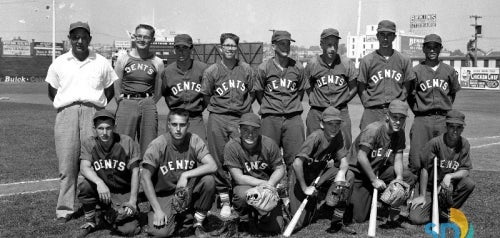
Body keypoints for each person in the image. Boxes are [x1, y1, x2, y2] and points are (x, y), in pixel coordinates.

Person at [45, 21, 117, 222]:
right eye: (75, 37)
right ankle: (64, 209)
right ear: (69, 39)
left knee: (93, 161)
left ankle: (93, 207)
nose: (79, 40)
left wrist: (94, 107)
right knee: (67, 164)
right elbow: (52, 91)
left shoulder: (101, 61)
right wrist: (70, 106)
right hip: (66, 112)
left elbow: (109, 90)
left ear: (89, 39)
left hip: (92, 112)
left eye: (83, 37)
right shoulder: (59, 62)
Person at [200, 33, 256, 218]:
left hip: (239, 118)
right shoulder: (212, 71)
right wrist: (218, 109)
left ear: (237, 48)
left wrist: (244, 108)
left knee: (240, 156)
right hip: (218, 117)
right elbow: (207, 96)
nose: (230, 49)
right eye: (227, 45)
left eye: (233, 46)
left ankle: (240, 195)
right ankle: (224, 197)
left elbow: (252, 93)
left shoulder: (246, 69)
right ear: (220, 48)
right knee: (218, 157)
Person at [141, 109, 217, 237]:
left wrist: (185, 175)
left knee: (208, 180)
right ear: (168, 125)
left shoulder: (194, 140)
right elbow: (145, 178)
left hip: (186, 189)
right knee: (162, 233)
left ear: (187, 125)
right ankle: (181, 217)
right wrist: (158, 210)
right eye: (174, 124)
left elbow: (212, 165)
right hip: (164, 194)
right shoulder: (158, 144)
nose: (178, 129)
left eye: (182, 125)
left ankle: (197, 222)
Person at [347, 99, 417, 223]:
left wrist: (399, 178)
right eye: (394, 117)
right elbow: (361, 156)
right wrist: (374, 180)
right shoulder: (373, 130)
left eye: (402, 118)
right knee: (358, 217)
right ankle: (349, 195)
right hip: (358, 173)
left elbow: (398, 157)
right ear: (387, 116)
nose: (398, 121)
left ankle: (390, 204)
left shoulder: (399, 133)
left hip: (377, 169)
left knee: (408, 177)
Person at [255, 30, 306, 193]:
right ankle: (268, 195)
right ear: (273, 46)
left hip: (293, 117)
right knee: (267, 158)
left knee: (295, 158)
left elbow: (300, 92)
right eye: (282, 43)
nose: (286, 46)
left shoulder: (297, 66)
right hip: (271, 117)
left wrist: (290, 106)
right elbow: (259, 93)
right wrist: (272, 107)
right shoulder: (264, 67)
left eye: (288, 43)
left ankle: (293, 197)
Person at [290, 107, 356, 234]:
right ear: (322, 124)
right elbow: (297, 164)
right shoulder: (316, 137)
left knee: (349, 175)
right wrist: (304, 188)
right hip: (301, 177)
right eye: (330, 124)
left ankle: (337, 220)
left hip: (319, 175)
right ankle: (287, 203)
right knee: (302, 222)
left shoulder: (338, 136)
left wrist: (341, 174)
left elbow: (344, 162)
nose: (334, 127)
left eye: (337, 124)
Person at [77, 110, 141, 237]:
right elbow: (84, 168)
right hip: (102, 190)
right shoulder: (89, 143)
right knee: (85, 185)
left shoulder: (127, 142)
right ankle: (90, 222)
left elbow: (136, 171)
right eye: (100, 128)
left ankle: (110, 213)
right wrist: (99, 182)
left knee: (130, 230)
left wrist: (133, 201)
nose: (104, 133)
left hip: (123, 191)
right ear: (94, 128)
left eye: (108, 128)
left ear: (115, 127)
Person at [224, 113, 286, 236]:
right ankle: (244, 218)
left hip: (267, 187)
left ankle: (263, 215)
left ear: (259, 130)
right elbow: (238, 177)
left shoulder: (269, 144)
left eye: (254, 130)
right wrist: (264, 184)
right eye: (245, 130)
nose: (250, 134)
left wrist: (271, 184)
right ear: (239, 130)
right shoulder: (231, 146)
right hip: (245, 185)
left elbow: (280, 168)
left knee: (275, 228)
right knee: (242, 196)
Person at [409, 110, 475, 224]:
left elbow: (465, 170)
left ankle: (445, 210)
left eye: (458, 127)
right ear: (446, 126)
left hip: (447, 187)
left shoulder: (464, 144)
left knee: (469, 184)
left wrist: (450, 176)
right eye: (451, 126)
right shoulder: (435, 143)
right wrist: (422, 195)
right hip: (430, 187)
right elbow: (424, 169)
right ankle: (438, 212)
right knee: (415, 219)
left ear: (462, 128)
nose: (455, 130)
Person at [407, 34, 461, 174]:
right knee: (417, 160)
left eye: (435, 47)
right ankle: (415, 192)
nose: (432, 50)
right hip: (422, 119)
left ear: (440, 48)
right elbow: (410, 96)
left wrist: (444, 107)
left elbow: (452, 93)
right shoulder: (416, 71)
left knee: (445, 159)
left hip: (444, 118)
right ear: (423, 49)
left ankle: (440, 191)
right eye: (429, 47)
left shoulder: (449, 71)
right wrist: (419, 111)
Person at [113, 23, 164, 156]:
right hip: (127, 102)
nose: (142, 39)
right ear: (134, 37)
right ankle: (123, 175)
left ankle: (145, 175)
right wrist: (122, 101)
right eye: (139, 36)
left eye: (146, 37)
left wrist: (150, 102)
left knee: (149, 144)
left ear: (152, 40)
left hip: (147, 102)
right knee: (123, 142)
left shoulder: (157, 61)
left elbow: (159, 89)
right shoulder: (123, 58)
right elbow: (116, 84)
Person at [305, 28, 358, 150]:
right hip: (318, 111)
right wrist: (313, 97)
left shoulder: (346, 63)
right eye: (329, 45)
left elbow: (354, 87)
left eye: (335, 45)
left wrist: (344, 100)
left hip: (340, 110)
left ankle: (342, 168)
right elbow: (307, 84)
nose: (332, 49)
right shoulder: (313, 63)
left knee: (345, 146)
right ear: (321, 44)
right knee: (312, 146)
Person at [357, 20, 414, 130]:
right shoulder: (367, 60)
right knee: (368, 143)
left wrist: (400, 101)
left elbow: (407, 84)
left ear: (394, 37)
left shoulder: (404, 60)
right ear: (377, 36)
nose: (385, 38)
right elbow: (361, 86)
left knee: (395, 146)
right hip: (373, 110)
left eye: (389, 35)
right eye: (382, 35)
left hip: (395, 112)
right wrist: (367, 102)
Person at [162, 34, 209, 140]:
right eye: (177, 48)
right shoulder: (168, 71)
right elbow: (166, 94)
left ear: (191, 49)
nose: (181, 51)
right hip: (175, 117)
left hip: (195, 117)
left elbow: (207, 96)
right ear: (174, 50)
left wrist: (199, 108)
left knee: (199, 149)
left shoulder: (203, 69)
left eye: (185, 48)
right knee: (172, 151)